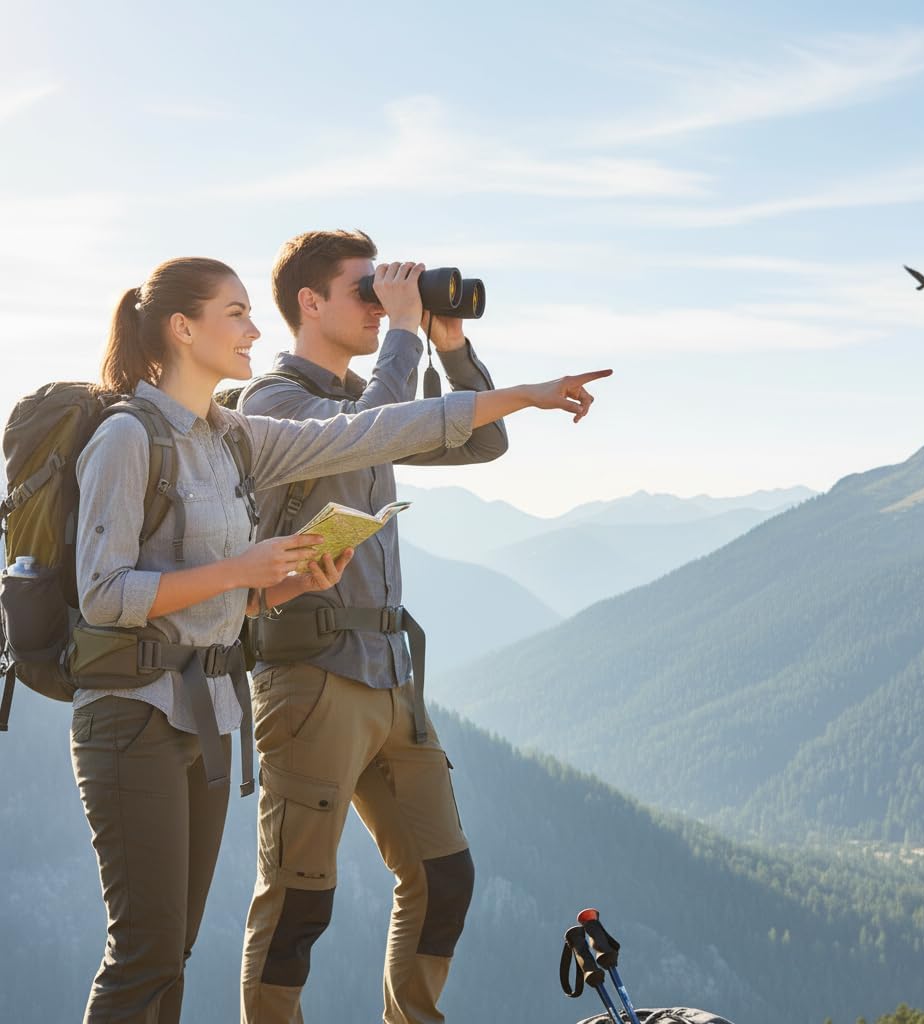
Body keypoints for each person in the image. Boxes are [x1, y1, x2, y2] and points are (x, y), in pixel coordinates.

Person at [70, 254, 609, 1023]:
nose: (252, 326)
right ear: (183, 328)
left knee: (173, 947)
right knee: (179, 941)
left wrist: (499, 381)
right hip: (178, 702)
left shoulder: (232, 436)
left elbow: (392, 430)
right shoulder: (201, 419)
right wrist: (242, 570)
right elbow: (104, 593)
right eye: (236, 313)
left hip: (233, 699)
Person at [235, 230, 506, 1024]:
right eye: (367, 291)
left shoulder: (367, 397)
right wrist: (400, 335)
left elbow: (485, 439)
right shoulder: (274, 405)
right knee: (296, 906)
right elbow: (364, 440)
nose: (383, 305)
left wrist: (449, 348)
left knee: (443, 876)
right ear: (309, 304)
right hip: (312, 679)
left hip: (391, 677)